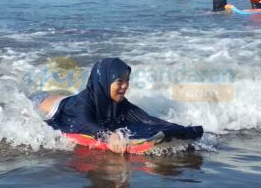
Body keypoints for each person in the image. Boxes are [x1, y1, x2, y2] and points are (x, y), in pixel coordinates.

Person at [35, 58, 204, 154]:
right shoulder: (84, 103)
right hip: (46, 105)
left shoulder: (119, 102)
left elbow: (146, 119)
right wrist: (108, 136)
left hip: (70, 99)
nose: (125, 86)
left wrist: (179, 130)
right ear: (105, 81)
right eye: (119, 81)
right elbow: (84, 124)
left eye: (127, 81)